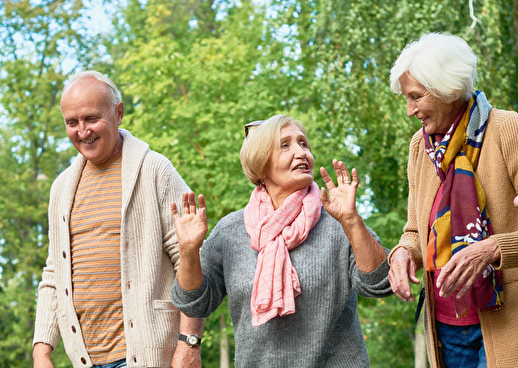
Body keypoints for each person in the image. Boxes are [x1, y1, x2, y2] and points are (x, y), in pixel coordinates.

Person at [170, 115, 391, 367]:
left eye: (303, 144)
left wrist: (351, 221)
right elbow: (194, 303)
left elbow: (380, 283)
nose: (301, 152)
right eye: (285, 145)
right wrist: (188, 250)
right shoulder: (230, 231)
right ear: (261, 164)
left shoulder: (337, 220)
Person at [32, 70, 203, 368]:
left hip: (149, 356)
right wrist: (42, 351)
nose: (82, 131)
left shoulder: (155, 170)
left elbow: (189, 258)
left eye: (91, 118)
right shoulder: (61, 188)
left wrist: (189, 344)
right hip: (84, 358)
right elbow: (53, 274)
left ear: (119, 113)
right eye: (72, 122)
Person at [387, 32, 518, 367]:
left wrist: (493, 248)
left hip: (507, 322)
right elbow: (415, 231)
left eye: (415, 97)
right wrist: (402, 254)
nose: (409, 110)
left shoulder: (508, 130)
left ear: (446, 89)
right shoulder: (420, 147)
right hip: (446, 327)